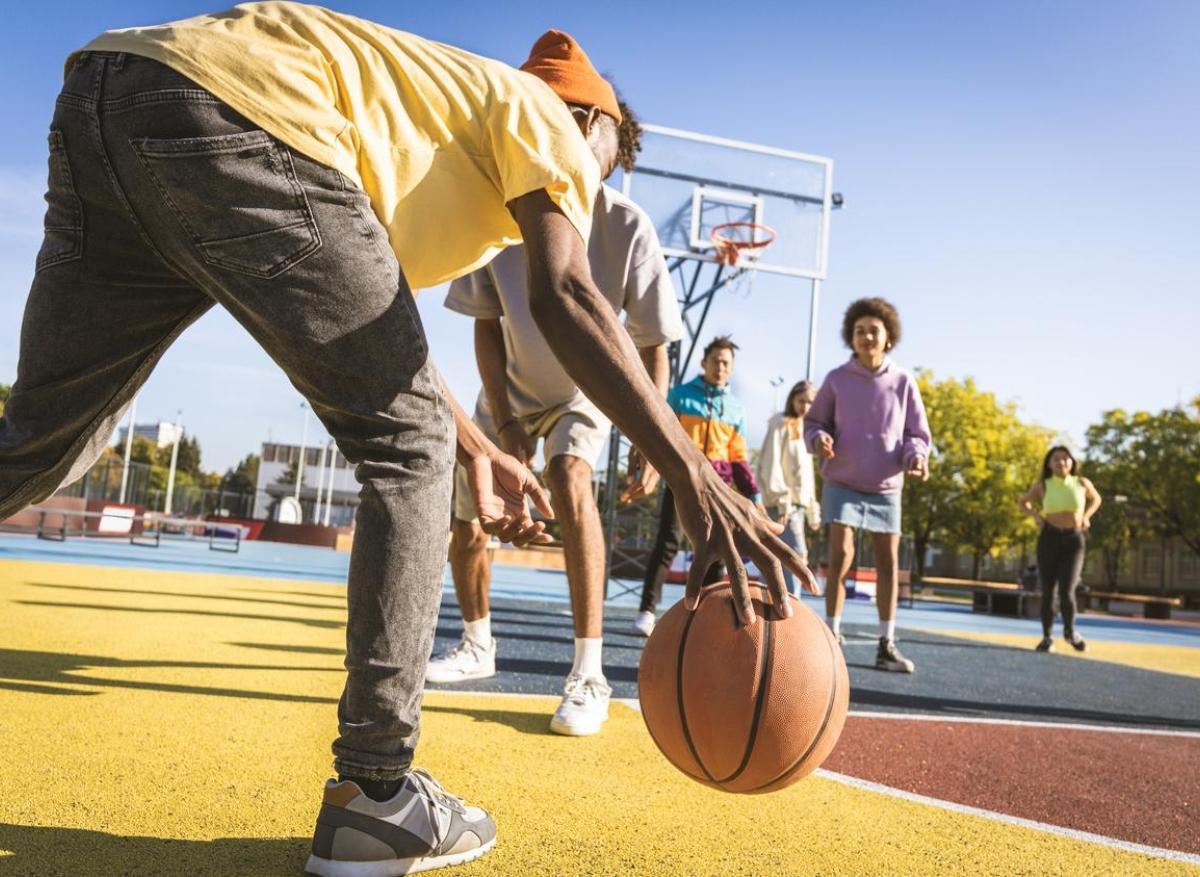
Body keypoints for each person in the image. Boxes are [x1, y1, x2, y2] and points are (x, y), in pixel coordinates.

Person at [0, 6, 812, 875]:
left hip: (108, 90)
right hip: (240, 111)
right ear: (588, 123)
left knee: (38, 444)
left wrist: (477, 448)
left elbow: (372, 342)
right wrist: (690, 467)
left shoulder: (425, 131)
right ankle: (376, 796)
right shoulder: (544, 118)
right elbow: (566, 294)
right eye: (604, 166)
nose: (594, 190)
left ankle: (379, 790)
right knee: (407, 446)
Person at [427, 100, 682, 737]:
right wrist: (505, 430)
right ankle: (478, 643)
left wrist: (652, 440)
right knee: (470, 519)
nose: (560, 123)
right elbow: (487, 327)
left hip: (583, 391)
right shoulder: (504, 216)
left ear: (609, 141)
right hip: (507, 388)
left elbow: (653, 345)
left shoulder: (628, 227)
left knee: (571, 477)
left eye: (577, 115)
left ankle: (588, 673)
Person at [805, 297, 931, 673]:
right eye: (859, 330)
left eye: (873, 330)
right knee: (841, 555)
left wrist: (916, 456)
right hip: (842, 479)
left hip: (886, 484)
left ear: (888, 337)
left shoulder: (904, 381)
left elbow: (917, 434)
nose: (866, 336)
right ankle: (832, 635)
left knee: (887, 562)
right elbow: (814, 423)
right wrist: (818, 440)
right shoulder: (836, 379)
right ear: (851, 336)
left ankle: (886, 643)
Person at [632, 336, 789, 636]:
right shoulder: (679, 396)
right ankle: (647, 611)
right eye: (715, 360)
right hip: (680, 484)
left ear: (731, 369)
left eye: (726, 363)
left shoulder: (735, 409)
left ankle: (706, 619)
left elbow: (739, 459)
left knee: (718, 552)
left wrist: (754, 495)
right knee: (666, 544)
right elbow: (660, 436)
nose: (720, 366)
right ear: (704, 362)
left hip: (720, 493)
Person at [1018, 446, 1102, 652]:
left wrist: (1086, 516)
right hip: (1050, 538)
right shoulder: (1043, 486)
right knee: (1048, 590)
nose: (1061, 462)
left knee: (1067, 589)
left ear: (1072, 462)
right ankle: (1047, 637)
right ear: (1049, 464)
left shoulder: (1081, 483)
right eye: (1056, 459)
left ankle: (1070, 632)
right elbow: (1023, 502)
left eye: (1065, 459)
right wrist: (1037, 517)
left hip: (1074, 540)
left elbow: (1097, 499)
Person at [757, 380, 822, 596]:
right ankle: (791, 608)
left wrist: (813, 509)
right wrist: (782, 500)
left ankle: (775, 609)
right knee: (796, 556)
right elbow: (770, 462)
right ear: (792, 399)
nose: (805, 407)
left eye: (811, 402)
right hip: (783, 506)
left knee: (779, 558)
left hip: (798, 507)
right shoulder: (780, 423)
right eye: (801, 401)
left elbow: (806, 474)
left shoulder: (807, 430)